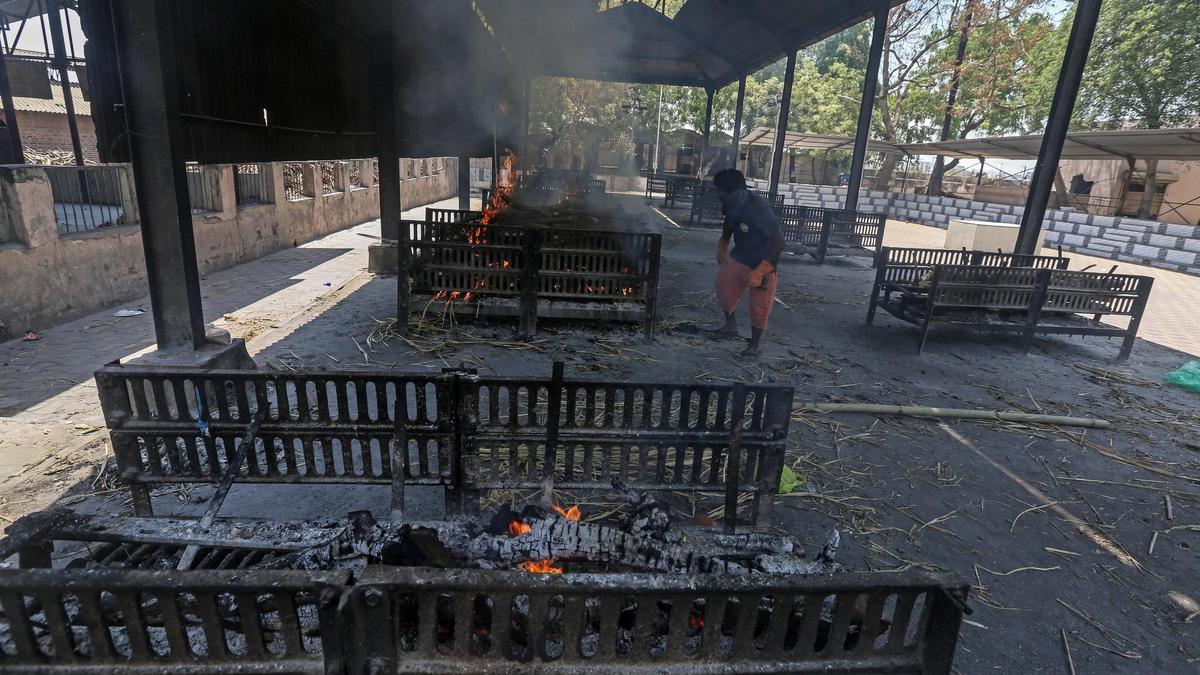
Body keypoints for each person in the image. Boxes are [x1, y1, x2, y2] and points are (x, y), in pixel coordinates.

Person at [710, 168, 784, 356]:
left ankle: (754, 344)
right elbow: (729, 223)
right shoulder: (732, 205)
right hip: (740, 255)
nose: (717, 195)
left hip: (763, 261)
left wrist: (760, 271)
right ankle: (730, 325)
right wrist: (723, 244)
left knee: (759, 306)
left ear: (730, 192)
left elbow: (779, 241)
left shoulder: (759, 209)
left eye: (719, 191)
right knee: (723, 287)